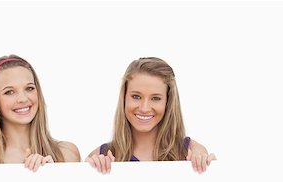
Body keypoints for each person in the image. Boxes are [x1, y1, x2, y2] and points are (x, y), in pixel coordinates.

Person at [85, 57, 216, 174]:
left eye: (156, 98)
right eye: (136, 96)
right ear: (124, 98)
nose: (144, 108)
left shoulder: (193, 152)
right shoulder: (99, 157)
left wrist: (210, 170)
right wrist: (91, 173)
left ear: (168, 102)